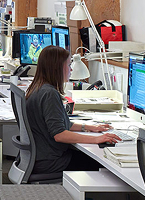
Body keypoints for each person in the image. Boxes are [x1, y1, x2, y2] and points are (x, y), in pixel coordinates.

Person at [25, 45, 120, 175]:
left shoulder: (37, 87)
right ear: (57, 68)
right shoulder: (49, 94)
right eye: (69, 65)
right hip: (50, 161)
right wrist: (96, 139)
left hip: (39, 157)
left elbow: (59, 124)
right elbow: (59, 134)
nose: (71, 69)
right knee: (104, 164)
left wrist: (90, 127)